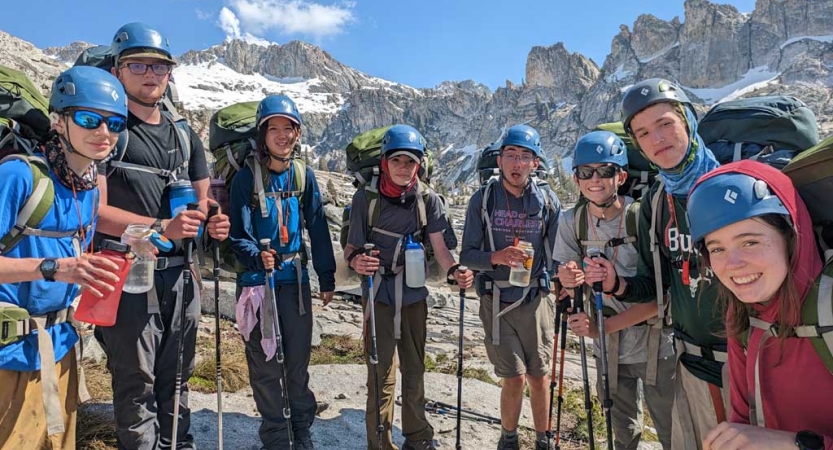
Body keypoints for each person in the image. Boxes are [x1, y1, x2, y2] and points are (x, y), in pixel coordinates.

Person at [92, 22, 230, 450]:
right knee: (136, 383)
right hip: (127, 274)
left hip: (180, 276)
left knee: (178, 378)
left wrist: (213, 220)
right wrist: (158, 229)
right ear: (117, 71)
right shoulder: (105, 130)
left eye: (159, 66)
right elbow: (94, 212)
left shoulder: (184, 134)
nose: (150, 74)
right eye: (138, 64)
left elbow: (202, 202)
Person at [583, 78, 725, 449]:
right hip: (689, 361)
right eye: (643, 133)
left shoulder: (731, 185)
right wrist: (619, 285)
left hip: (744, 358)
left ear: (688, 121)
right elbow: (654, 285)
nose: (657, 139)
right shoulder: (656, 204)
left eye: (665, 124)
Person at [0, 66, 127, 449]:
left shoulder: (86, 187)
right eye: (89, 119)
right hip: (10, 352)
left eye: (114, 123)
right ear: (59, 120)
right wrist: (57, 269)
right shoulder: (19, 176)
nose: (103, 133)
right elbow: (57, 264)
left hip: (60, 346)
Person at [686, 161, 833, 450]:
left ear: (791, 236)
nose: (733, 265)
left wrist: (798, 444)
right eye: (717, 248)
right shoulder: (745, 313)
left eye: (750, 242)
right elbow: (743, 421)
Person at [345, 124, 473, 450]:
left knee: (414, 369)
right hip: (378, 294)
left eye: (410, 162)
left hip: (414, 293)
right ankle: (380, 442)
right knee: (381, 373)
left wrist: (455, 269)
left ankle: (417, 438)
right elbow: (351, 249)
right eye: (397, 161)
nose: (403, 168)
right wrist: (357, 263)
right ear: (384, 162)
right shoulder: (366, 198)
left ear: (420, 165)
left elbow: (441, 249)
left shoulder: (428, 199)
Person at [554, 130, 675, 449]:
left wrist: (599, 328)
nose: (595, 179)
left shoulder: (641, 216)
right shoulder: (571, 221)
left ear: (620, 176)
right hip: (607, 350)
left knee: (672, 432)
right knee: (622, 432)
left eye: (605, 171)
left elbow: (658, 300)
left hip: (654, 345)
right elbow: (563, 274)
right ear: (576, 178)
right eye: (586, 172)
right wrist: (567, 278)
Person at [228, 94, 336, 450]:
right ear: (262, 135)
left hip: (296, 282)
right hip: (259, 284)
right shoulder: (246, 179)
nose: (281, 135)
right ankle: (276, 436)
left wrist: (327, 277)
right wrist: (257, 257)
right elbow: (236, 236)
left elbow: (318, 227)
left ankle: (300, 430)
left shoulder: (303, 176)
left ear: (298, 133)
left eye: (287, 128)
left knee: (298, 361)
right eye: (273, 128)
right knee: (265, 365)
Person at [460, 124, 561, 450]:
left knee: (539, 376)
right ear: (499, 160)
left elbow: (558, 254)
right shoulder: (484, 199)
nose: (517, 163)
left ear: (535, 163)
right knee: (513, 377)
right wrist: (498, 256)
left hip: (535, 299)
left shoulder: (547, 201)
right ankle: (509, 439)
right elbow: (467, 256)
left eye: (525, 157)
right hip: (497, 300)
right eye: (511, 156)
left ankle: (543, 439)